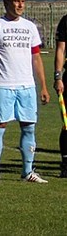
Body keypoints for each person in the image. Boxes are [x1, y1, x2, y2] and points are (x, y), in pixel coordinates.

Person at [0, 0, 49, 184]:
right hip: (4, 85)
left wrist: (43, 86)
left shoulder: (30, 27)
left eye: (23, 1)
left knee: (29, 128)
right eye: (16, 1)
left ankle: (28, 171)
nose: (20, 5)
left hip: (27, 86)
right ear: (6, 3)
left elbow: (36, 58)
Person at [53, 11, 67, 176]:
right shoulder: (66, 21)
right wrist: (58, 76)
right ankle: (65, 164)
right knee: (66, 123)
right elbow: (61, 49)